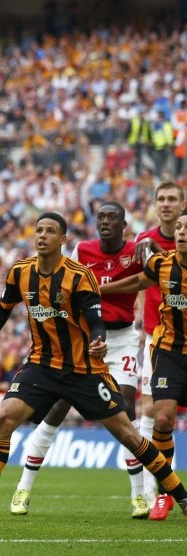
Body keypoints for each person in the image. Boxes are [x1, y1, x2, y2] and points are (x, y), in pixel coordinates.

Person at [0, 213, 187, 521]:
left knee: (129, 435)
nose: (42, 236)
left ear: (62, 240)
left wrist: (99, 341)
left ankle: (180, 496)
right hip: (41, 366)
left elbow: (96, 321)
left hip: (84, 370)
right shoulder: (20, 272)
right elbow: (2, 309)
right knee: (4, 419)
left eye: (50, 231)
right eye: (38, 230)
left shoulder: (79, 275)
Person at [8, 202, 148, 518]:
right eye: (101, 217)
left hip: (123, 340)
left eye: (113, 217)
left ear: (124, 224)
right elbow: (60, 285)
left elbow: (154, 274)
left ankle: (138, 496)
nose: (106, 222)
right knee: (58, 407)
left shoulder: (137, 253)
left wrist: (148, 245)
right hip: (83, 341)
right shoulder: (81, 251)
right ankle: (23, 488)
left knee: (126, 407)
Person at [100, 209, 187, 521]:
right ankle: (164, 493)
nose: (181, 233)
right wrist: (98, 290)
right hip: (170, 351)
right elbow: (136, 281)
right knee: (162, 419)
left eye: (186, 229)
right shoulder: (163, 264)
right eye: (179, 228)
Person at [134, 180, 184, 506]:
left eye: (171, 199)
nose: (165, 204)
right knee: (158, 414)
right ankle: (160, 491)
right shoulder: (153, 251)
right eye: (160, 199)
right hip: (162, 343)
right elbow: (142, 276)